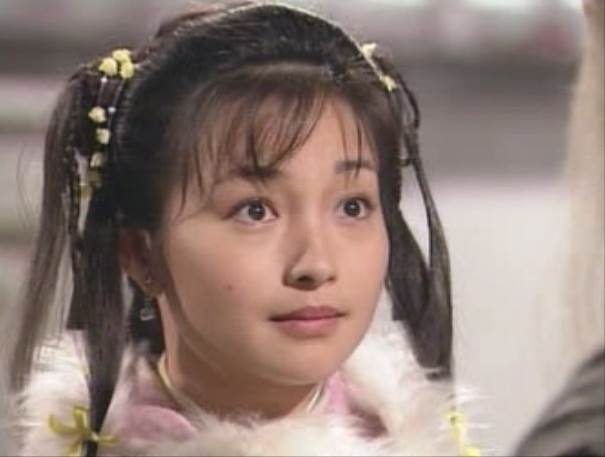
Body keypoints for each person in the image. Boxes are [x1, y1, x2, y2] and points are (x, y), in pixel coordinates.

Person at [5, 2, 479, 455]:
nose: (315, 264)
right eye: (255, 211)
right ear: (141, 254)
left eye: (352, 207)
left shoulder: (397, 427)